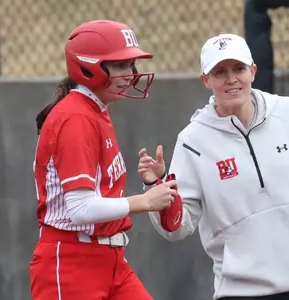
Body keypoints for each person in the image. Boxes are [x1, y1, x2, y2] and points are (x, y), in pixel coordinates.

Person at [139, 33, 289, 300]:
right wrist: (155, 186)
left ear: (253, 71)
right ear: (205, 80)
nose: (231, 79)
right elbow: (178, 227)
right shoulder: (192, 142)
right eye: (219, 72)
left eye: (239, 68)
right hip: (244, 293)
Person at [30, 20, 179, 300]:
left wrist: (151, 182)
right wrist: (145, 202)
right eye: (120, 65)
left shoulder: (95, 109)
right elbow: (80, 208)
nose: (130, 74)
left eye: (131, 65)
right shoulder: (76, 117)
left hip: (110, 259)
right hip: (73, 262)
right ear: (88, 66)